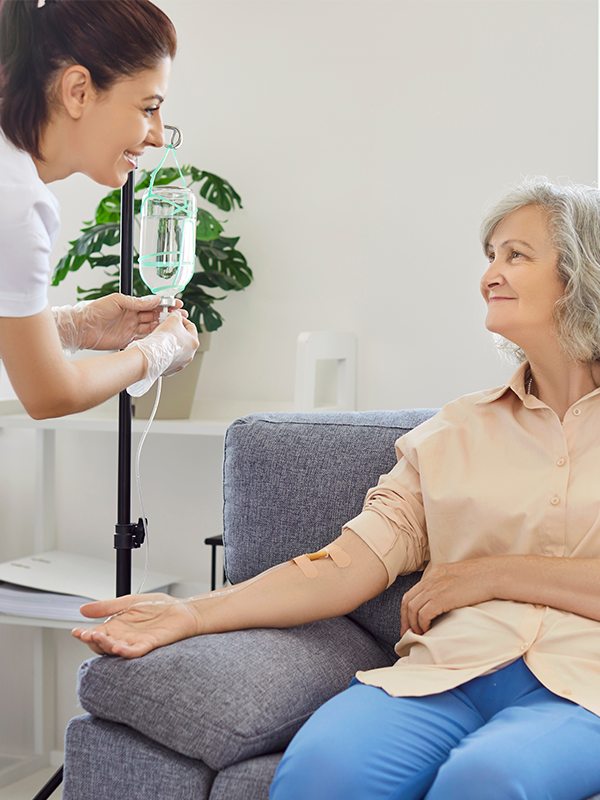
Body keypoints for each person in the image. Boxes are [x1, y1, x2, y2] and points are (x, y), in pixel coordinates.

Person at [73, 178, 600, 800]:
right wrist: (192, 614)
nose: (490, 273)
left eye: (516, 255)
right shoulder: (456, 431)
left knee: (488, 780)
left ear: (580, 274)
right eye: (489, 255)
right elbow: (344, 565)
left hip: (582, 687)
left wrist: (490, 575)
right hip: (444, 675)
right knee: (322, 770)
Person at [0, 0, 199, 420]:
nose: (160, 137)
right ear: (79, 92)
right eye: (149, 108)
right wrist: (154, 353)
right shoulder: (17, 202)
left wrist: (77, 325)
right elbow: (50, 394)